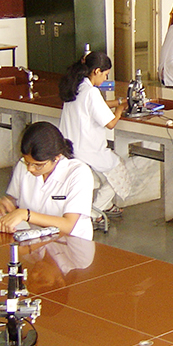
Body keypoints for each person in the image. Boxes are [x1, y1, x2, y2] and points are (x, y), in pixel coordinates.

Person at [58, 51, 131, 221]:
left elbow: (96, 105)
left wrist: (119, 102)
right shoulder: (91, 92)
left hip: (69, 147)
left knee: (103, 176)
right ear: (97, 71)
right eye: (105, 75)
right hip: (87, 150)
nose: (105, 79)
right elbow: (111, 123)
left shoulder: (77, 86)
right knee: (117, 175)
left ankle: (102, 206)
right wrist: (120, 110)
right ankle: (95, 211)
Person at [0, 122, 94, 240]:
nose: (30, 168)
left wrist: (25, 214)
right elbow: (14, 199)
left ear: (57, 157)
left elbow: (68, 225)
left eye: (38, 165)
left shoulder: (78, 173)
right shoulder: (22, 165)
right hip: (33, 241)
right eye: (27, 162)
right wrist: (6, 205)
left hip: (70, 244)